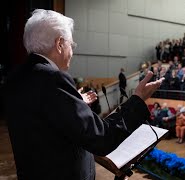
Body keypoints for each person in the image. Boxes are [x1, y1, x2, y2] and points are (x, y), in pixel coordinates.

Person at [3, 9, 164, 180]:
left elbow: (43, 121)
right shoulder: (53, 79)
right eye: (71, 45)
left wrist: (74, 105)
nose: (72, 52)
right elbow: (101, 138)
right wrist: (137, 99)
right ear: (59, 44)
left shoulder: (16, 77)